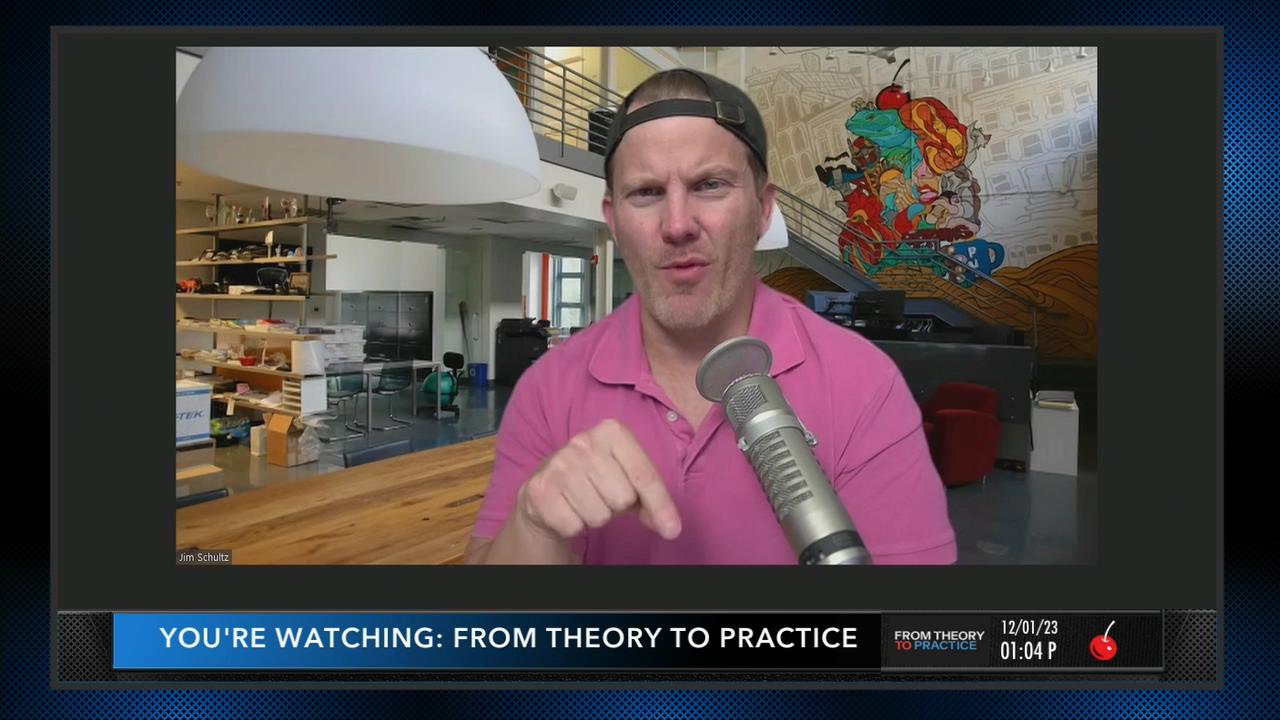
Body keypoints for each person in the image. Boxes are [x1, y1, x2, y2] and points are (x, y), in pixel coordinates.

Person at [465, 69, 956, 565]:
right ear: (613, 220)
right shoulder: (547, 388)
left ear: (762, 210)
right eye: (646, 192)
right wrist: (534, 526)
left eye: (709, 185)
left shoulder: (865, 385)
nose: (678, 225)